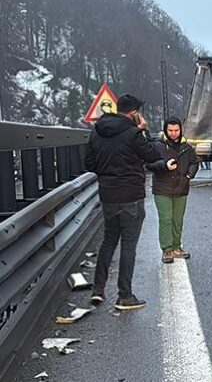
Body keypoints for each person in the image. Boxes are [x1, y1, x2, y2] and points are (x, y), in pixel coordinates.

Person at [85, 94, 159, 311]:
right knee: (128, 245)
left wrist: (108, 175)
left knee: (109, 241)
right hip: (131, 197)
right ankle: (124, 296)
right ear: (134, 112)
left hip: (108, 195)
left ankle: (98, 290)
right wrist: (144, 130)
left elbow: (89, 163)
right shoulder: (133, 133)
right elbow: (152, 155)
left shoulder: (96, 131)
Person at [147, 117, 199, 263]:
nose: (174, 133)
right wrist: (164, 165)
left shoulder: (186, 147)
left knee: (178, 220)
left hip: (181, 188)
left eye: (176, 130)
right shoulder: (157, 146)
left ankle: (177, 247)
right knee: (166, 219)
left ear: (180, 130)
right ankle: (167, 250)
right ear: (165, 130)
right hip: (162, 188)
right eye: (170, 130)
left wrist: (188, 175)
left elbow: (195, 162)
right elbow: (148, 164)